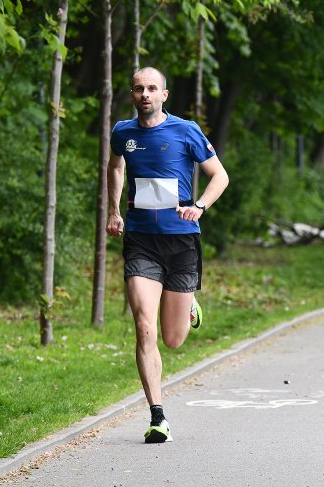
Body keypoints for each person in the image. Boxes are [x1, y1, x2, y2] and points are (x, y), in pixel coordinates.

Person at [107, 67, 229, 444]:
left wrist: (201, 206)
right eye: (139, 89)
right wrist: (113, 211)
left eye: (152, 89)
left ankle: (187, 300)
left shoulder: (185, 130)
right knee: (144, 325)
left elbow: (219, 176)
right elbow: (115, 167)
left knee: (173, 339)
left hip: (181, 240)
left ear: (164, 95)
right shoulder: (122, 133)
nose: (145, 94)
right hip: (141, 240)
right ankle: (157, 415)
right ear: (132, 95)